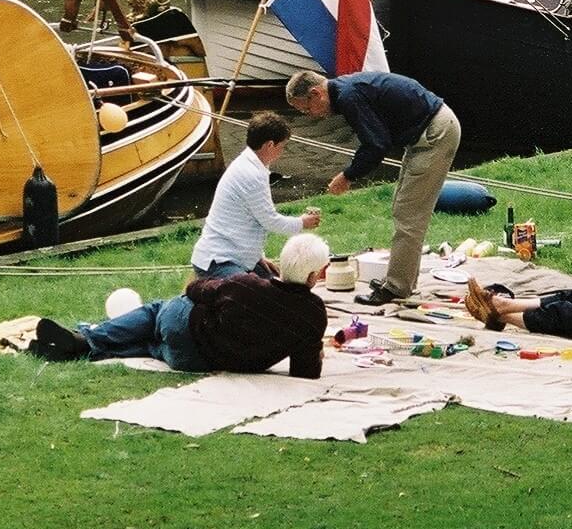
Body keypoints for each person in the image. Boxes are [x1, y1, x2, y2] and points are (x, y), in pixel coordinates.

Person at [32, 233, 332, 378]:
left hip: (186, 330)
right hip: (198, 361)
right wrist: (313, 346)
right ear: (312, 275)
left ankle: (86, 338)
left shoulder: (246, 285)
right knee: (152, 343)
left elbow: (195, 288)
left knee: (156, 312)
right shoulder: (314, 315)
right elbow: (305, 373)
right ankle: (86, 347)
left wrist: (204, 289)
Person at [285, 69, 460, 306]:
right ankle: (402, 281)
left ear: (315, 93)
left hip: (434, 133)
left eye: (306, 108)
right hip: (425, 129)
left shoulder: (348, 97)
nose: (310, 115)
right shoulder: (345, 91)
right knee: (402, 207)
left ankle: (397, 288)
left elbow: (377, 144)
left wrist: (348, 176)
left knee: (409, 216)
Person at [189, 112, 321, 280]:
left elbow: (249, 219)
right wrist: (301, 222)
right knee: (259, 294)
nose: (281, 152)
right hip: (218, 262)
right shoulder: (252, 174)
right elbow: (269, 220)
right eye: (282, 147)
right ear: (270, 145)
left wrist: (258, 256)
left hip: (234, 256)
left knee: (276, 281)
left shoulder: (250, 164)